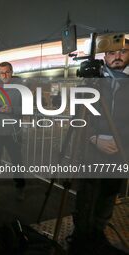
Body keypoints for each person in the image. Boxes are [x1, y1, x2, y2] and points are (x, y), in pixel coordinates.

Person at [70, 40, 129, 255]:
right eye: (112, 52)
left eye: (123, 51)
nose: (117, 56)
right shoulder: (91, 82)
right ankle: (80, 240)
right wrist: (93, 137)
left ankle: (98, 235)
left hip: (121, 154)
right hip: (91, 151)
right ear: (103, 56)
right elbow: (76, 116)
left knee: (107, 198)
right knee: (86, 198)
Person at [0, 62, 26, 199]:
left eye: (7, 72)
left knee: (16, 159)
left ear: (12, 71)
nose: (4, 75)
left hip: (13, 131)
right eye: (1, 72)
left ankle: (20, 185)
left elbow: (28, 108)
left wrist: (12, 109)